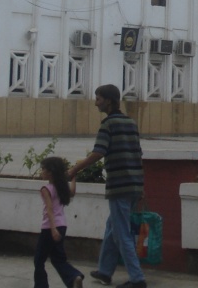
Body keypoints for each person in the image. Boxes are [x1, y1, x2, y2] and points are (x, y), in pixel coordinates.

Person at [68, 84, 147, 288]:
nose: (96, 102)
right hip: (134, 184)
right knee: (113, 227)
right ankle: (104, 271)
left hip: (119, 186)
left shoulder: (108, 124)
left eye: (99, 98)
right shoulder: (131, 122)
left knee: (122, 233)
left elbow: (98, 152)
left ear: (109, 101)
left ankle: (137, 279)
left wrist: (75, 169)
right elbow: (138, 153)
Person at [35, 157, 84, 288]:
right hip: (62, 225)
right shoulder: (61, 187)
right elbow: (72, 193)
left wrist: (52, 229)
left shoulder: (46, 189)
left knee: (39, 260)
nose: (42, 171)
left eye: (43, 169)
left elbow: (49, 210)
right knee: (58, 259)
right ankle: (74, 277)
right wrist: (73, 178)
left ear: (50, 172)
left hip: (49, 227)